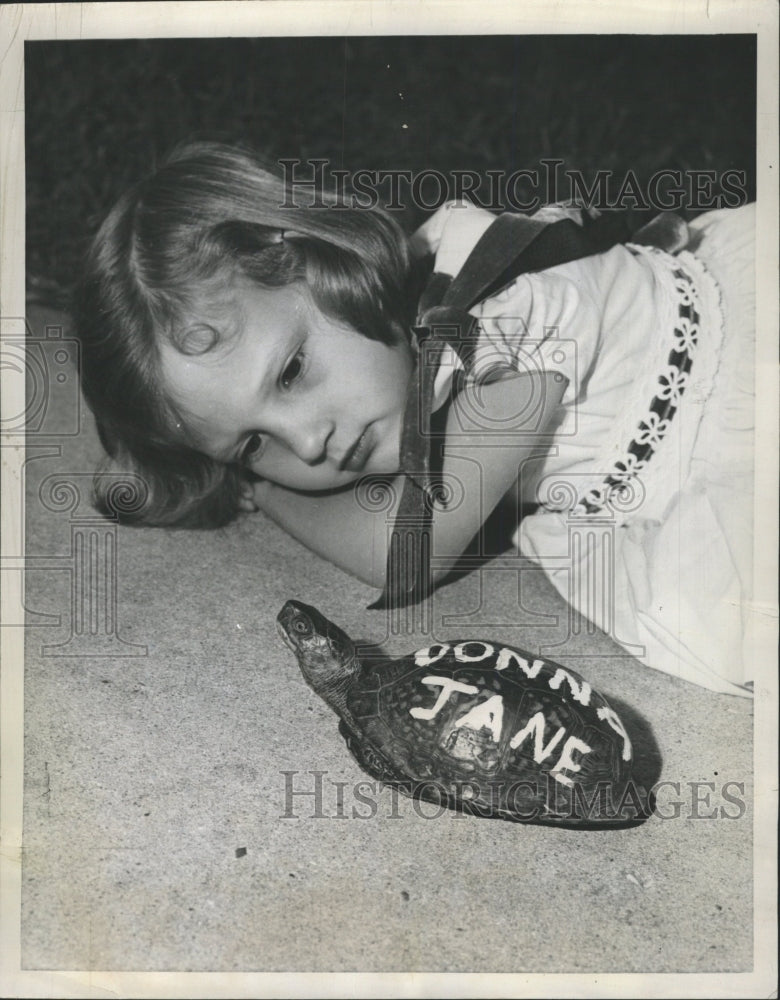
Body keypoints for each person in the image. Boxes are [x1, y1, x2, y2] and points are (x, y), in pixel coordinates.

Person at [75, 142, 755, 697]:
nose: (309, 441)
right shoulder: (387, 357)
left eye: (290, 373)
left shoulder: (500, 329)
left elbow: (402, 550)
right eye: (254, 443)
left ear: (330, 262)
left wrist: (263, 488)